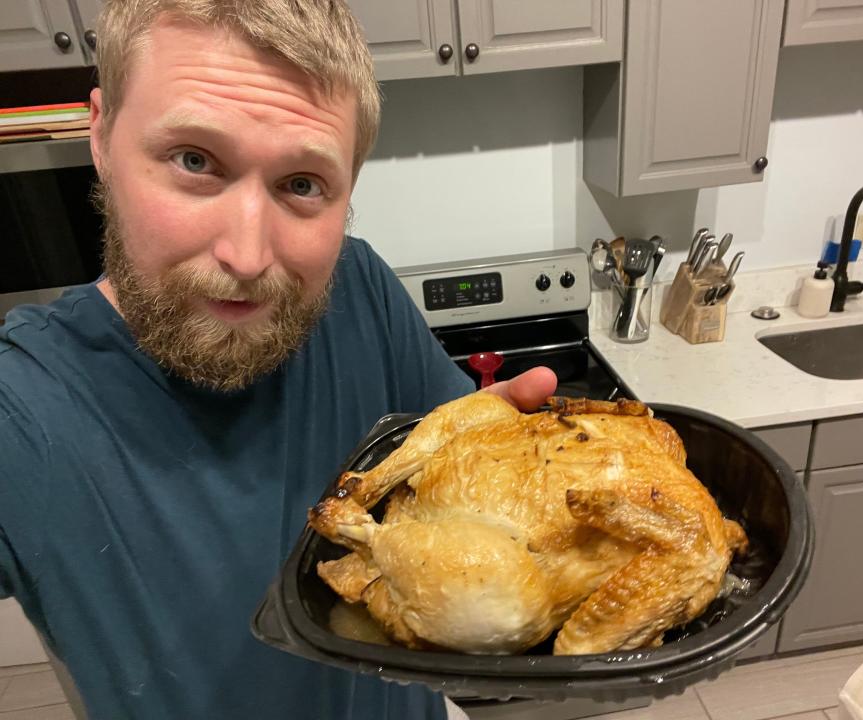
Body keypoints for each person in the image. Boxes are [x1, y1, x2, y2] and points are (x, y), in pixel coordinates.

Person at [0, 1, 556, 718]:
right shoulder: (23, 409)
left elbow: (454, 475)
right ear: (102, 136)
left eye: (301, 185)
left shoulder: (360, 290)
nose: (248, 255)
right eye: (195, 161)